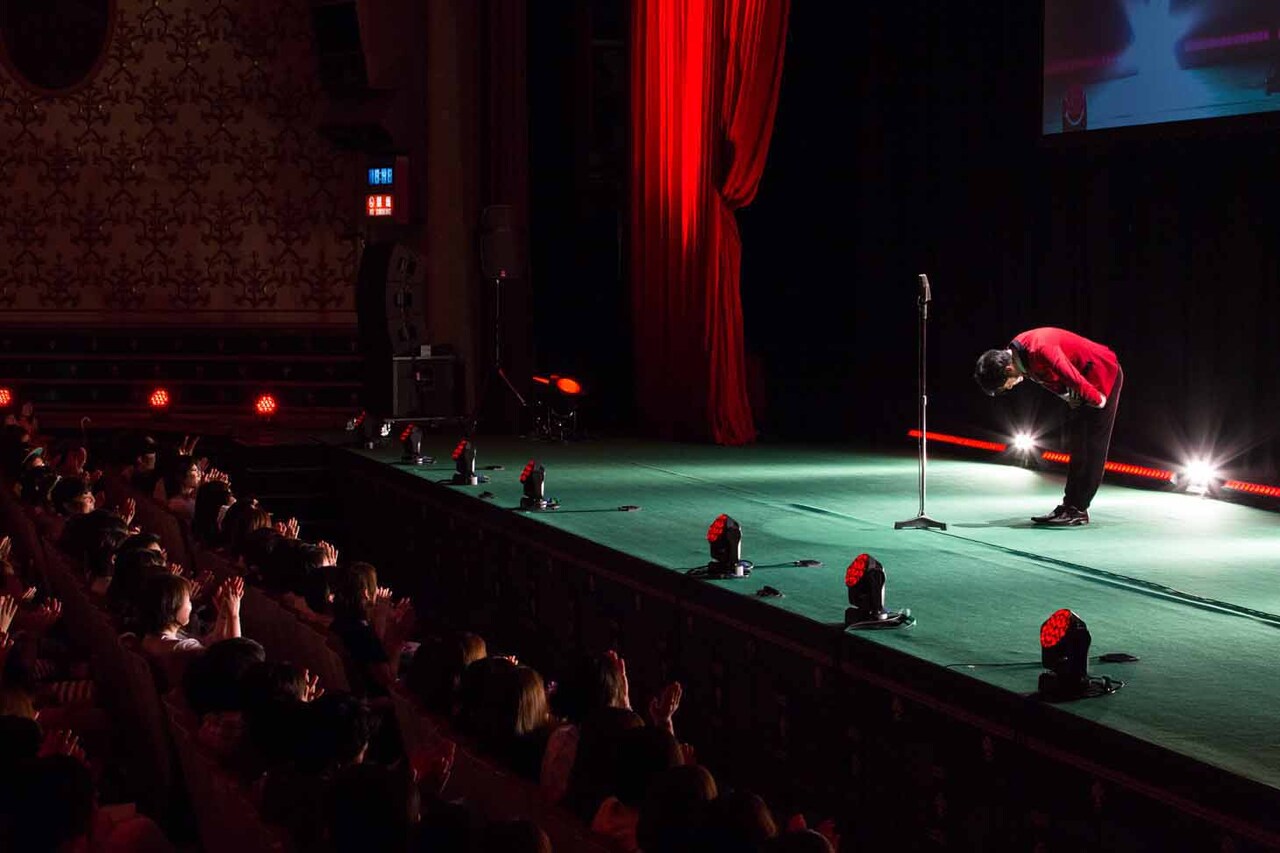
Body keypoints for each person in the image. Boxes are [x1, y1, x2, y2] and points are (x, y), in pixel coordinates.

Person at [974, 327, 1123, 526]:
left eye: (1005, 386)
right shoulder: (1019, 355)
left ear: (1008, 370)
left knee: (1092, 445)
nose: (1009, 387)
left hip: (1102, 374)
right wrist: (1068, 397)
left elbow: (1068, 373)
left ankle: (1078, 509)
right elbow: (1045, 378)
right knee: (1079, 444)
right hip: (1083, 381)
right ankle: (1069, 505)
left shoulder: (1040, 348)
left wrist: (1097, 399)